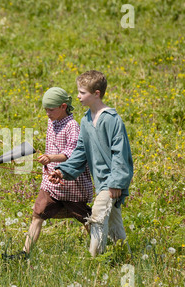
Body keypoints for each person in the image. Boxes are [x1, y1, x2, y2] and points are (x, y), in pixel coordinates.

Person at [49, 70, 133, 257]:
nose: (78, 96)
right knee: (114, 224)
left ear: (96, 94)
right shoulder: (86, 120)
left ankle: (95, 260)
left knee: (96, 217)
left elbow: (120, 153)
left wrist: (116, 183)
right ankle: (125, 257)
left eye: (82, 92)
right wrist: (62, 171)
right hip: (101, 182)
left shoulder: (112, 120)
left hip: (111, 182)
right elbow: (80, 152)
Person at [7, 87, 94, 259]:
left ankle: (101, 248)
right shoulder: (51, 122)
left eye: (51, 109)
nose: (47, 113)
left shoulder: (72, 126)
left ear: (63, 106)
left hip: (71, 184)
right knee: (38, 214)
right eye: (45, 109)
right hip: (51, 183)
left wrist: (51, 157)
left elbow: (73, 152)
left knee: (86, 219)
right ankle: (25, 253)